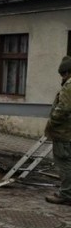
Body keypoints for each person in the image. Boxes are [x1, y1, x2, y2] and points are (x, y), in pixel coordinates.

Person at [43, 55, 71, 206]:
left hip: (64, 132)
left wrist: (52, 121)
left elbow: (64, 108)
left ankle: (66, 194)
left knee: (64, 162)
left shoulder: (69, 85)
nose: (62, 77)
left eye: (62, 74)